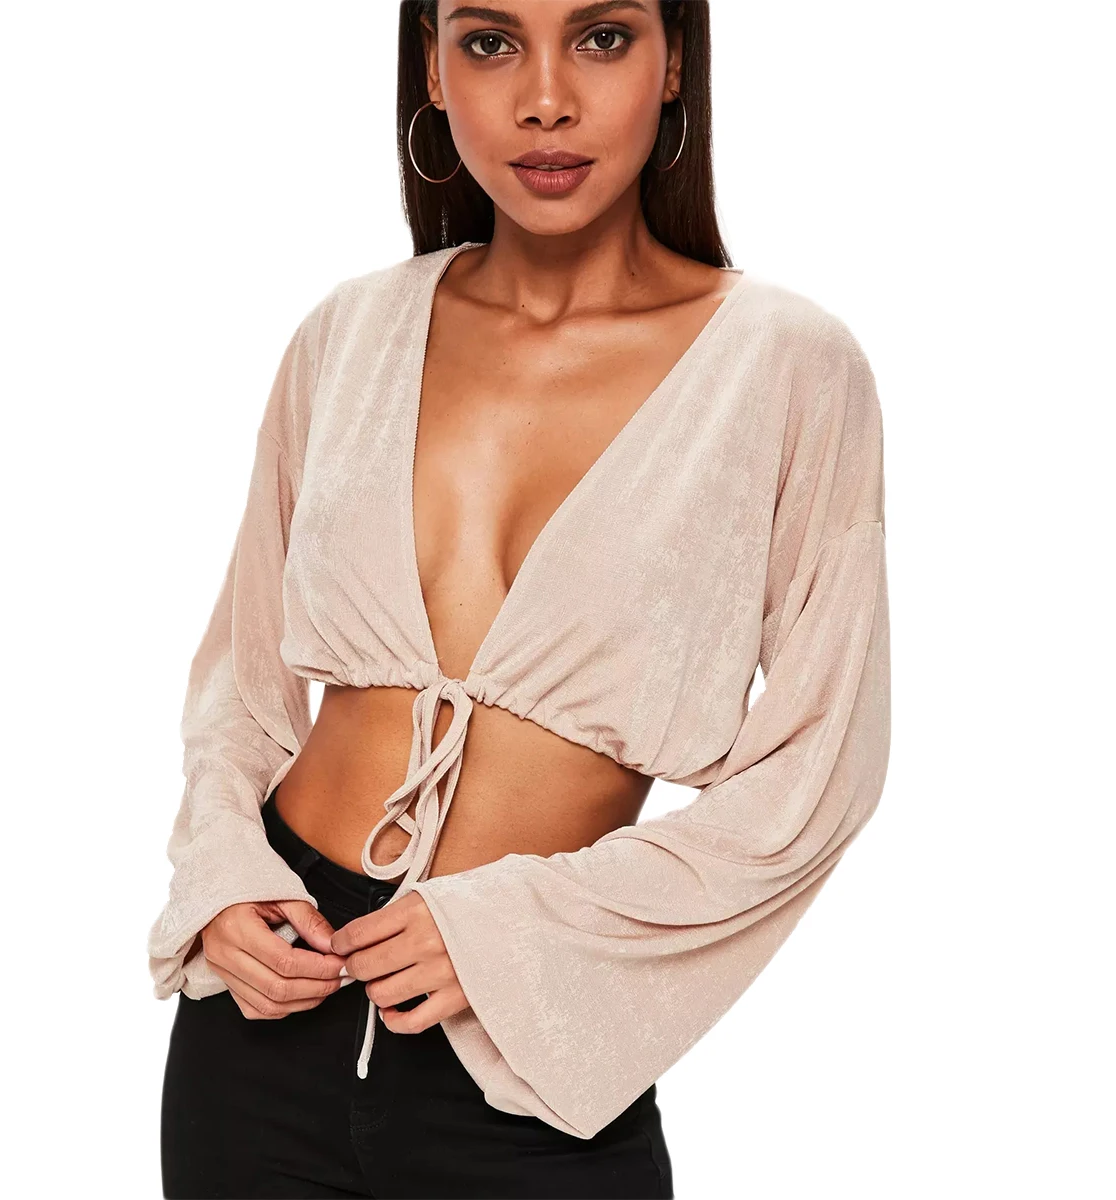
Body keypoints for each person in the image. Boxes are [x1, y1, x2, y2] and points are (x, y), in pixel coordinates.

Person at [149, 1, 891, 1196]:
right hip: (262, 1022)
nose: (545, 100)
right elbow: (241, 682)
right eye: (491, 42)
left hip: (531, 1052)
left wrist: (507, 935)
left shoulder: (787, 365)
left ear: (674, 60)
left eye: (602, 37)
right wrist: (226, 875)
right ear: (434, 70)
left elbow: (817, 771)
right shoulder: (348, 334)